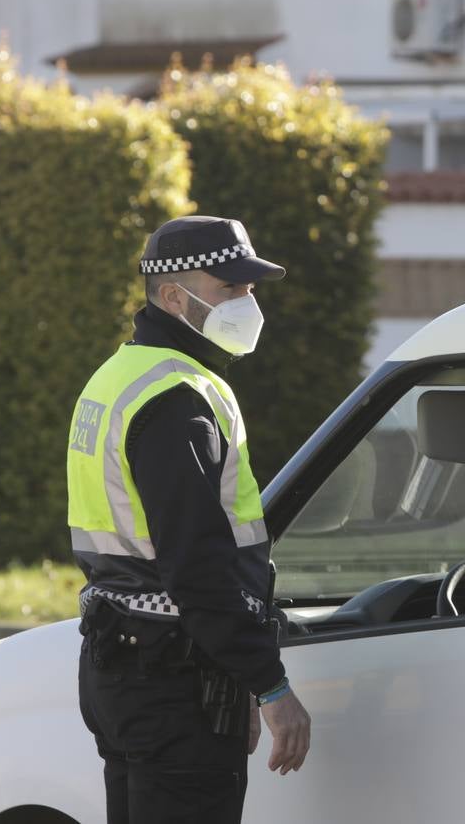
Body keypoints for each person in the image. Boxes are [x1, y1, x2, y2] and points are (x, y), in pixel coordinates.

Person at [66, 215, 311, 824]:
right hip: (174, 683)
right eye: (231, 288)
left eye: (250, 288)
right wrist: (269, 685)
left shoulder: (121, 375)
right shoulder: (176, 398)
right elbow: (197, 565)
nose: (247, 302)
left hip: (126, 665)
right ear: (174, 296)